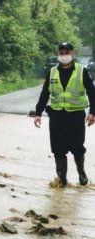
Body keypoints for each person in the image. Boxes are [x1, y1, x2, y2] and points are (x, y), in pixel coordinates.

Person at [34, 42, 95, 186]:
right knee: (58, 149)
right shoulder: (52, 72)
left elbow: (92, 93)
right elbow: (44, 94)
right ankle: (62, 179)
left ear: (72, 54)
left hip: (76, 117)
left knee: (77, 147)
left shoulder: (82, 71)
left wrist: (92, 112)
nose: (64, 56)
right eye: (61, 53)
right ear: (58, 54)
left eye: (66, 53)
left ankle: (81, 173)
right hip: (56, 117)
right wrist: (38, 113)